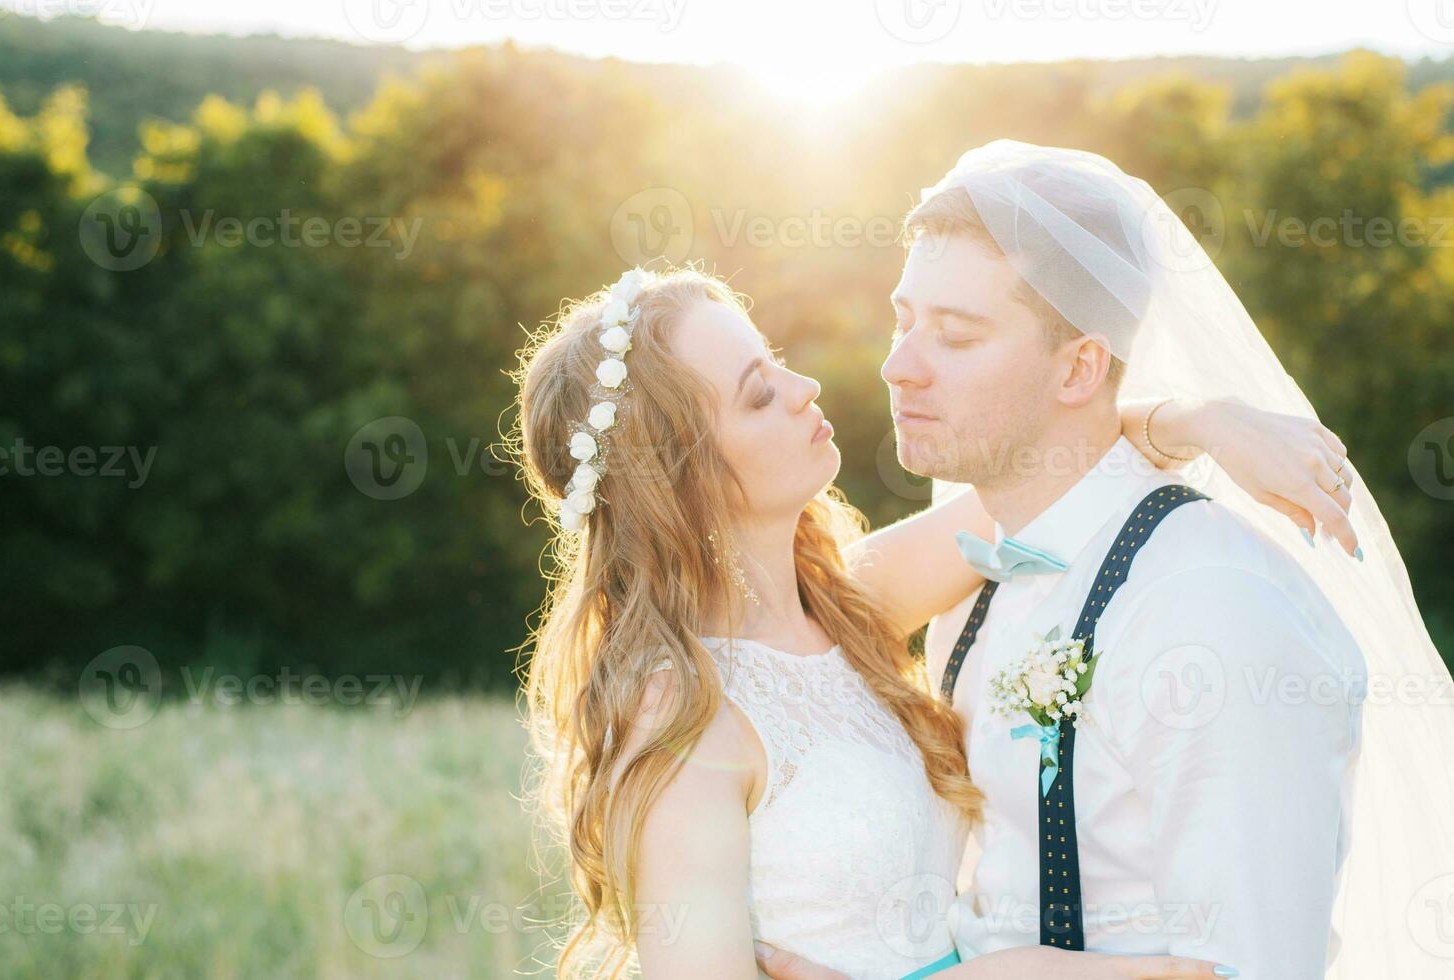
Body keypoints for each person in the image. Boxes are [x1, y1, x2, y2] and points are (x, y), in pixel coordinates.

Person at [510, 261, 1356, 979]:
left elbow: (1050, 466)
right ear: (683, 477)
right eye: (760, 394)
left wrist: (1202, 423)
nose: (806, 388)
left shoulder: (845, 606)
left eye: (774, 361)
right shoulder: (682, 715)